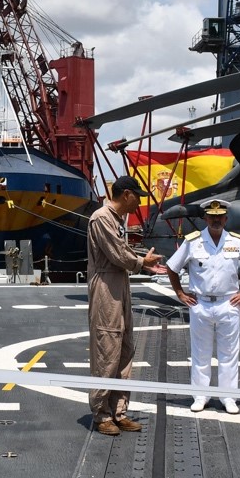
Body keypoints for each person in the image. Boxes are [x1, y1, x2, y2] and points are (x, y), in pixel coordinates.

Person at [165, 199, 240, 414]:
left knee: (229, 353)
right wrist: (180, 293)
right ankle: (201, 396)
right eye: (212, 216)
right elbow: (172, 267)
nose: (216, 220)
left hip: (228, 303)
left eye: (220, 217)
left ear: (226, 218)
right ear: (205, 218)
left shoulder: (236, 241)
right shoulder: (193, 242)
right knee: (201, 353)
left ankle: (229, 397)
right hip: (200, 303)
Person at [88, 175, 163, 436]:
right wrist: (143, 262)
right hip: (106, 286)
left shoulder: (117, 220)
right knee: (107, 349)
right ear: (126, 194)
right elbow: (117, 254)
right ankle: (101, 414)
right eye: (137, 197)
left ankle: (119, 411)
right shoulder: (101, 218)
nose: (138, 202)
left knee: (124, 349)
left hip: (121, 283)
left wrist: (141, 263)